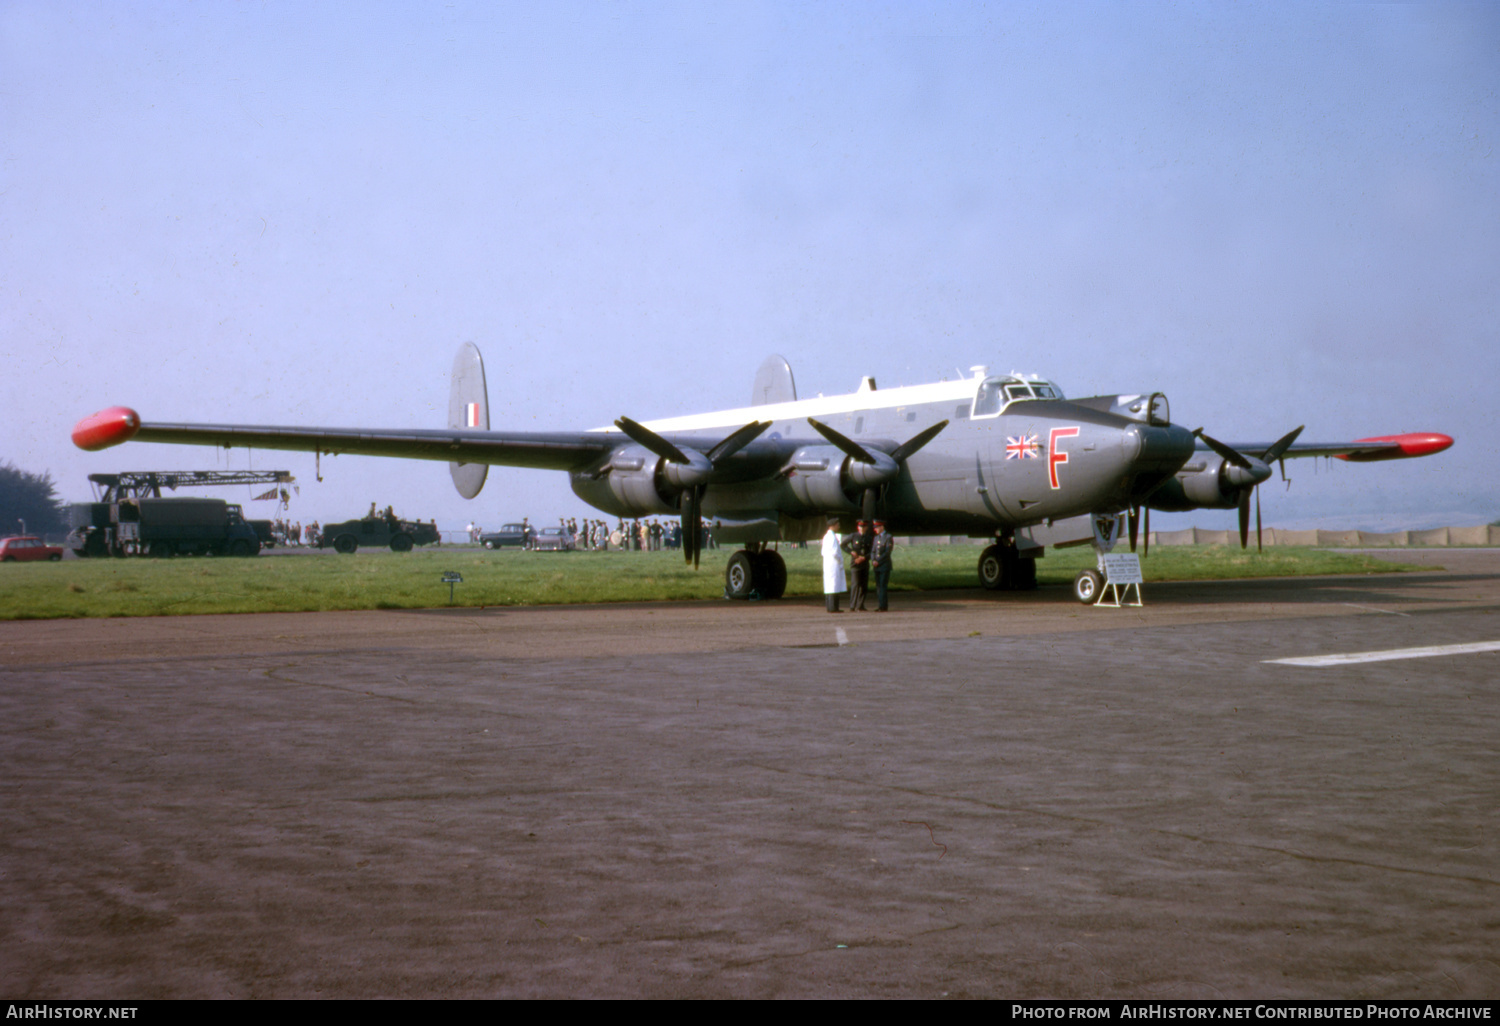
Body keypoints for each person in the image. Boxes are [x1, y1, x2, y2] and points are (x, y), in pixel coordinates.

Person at [841, 519, 872, 611]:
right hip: (855, 563)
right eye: (860, 527)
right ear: (858, 527)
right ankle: (852, 605)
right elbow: (843, 545)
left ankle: (860, 605)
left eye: (863, 527)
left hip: (864, 562)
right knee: (855, 584)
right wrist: (851, 551)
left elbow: (872, 551)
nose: (862, 528)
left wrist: (865, 558)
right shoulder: (853, 536)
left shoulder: (869, 538)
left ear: (866, 528)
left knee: (863, 585)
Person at [821, 519, 847, 613]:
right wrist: (840, 560)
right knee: (834, 586)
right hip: (833, 564)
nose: (839, 526)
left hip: (828, 564)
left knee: (830, 586)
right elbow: (835, 552)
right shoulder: (831, 537)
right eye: (837, 524)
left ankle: (830, 606)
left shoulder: (827, 536)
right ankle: (833, 607)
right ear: (833, 525)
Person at [870, 520, 894, 612]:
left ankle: (883, 606)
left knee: (883, 586)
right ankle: (880, 605)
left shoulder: (888, 537)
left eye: (876, 528)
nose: (875, 529)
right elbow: (873, 551)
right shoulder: (876, 538)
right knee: (878, 586)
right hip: (876, 565)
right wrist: (873, 560)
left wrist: (878, 561)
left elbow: (887, 552)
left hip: (884, 565)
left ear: (881, 527)